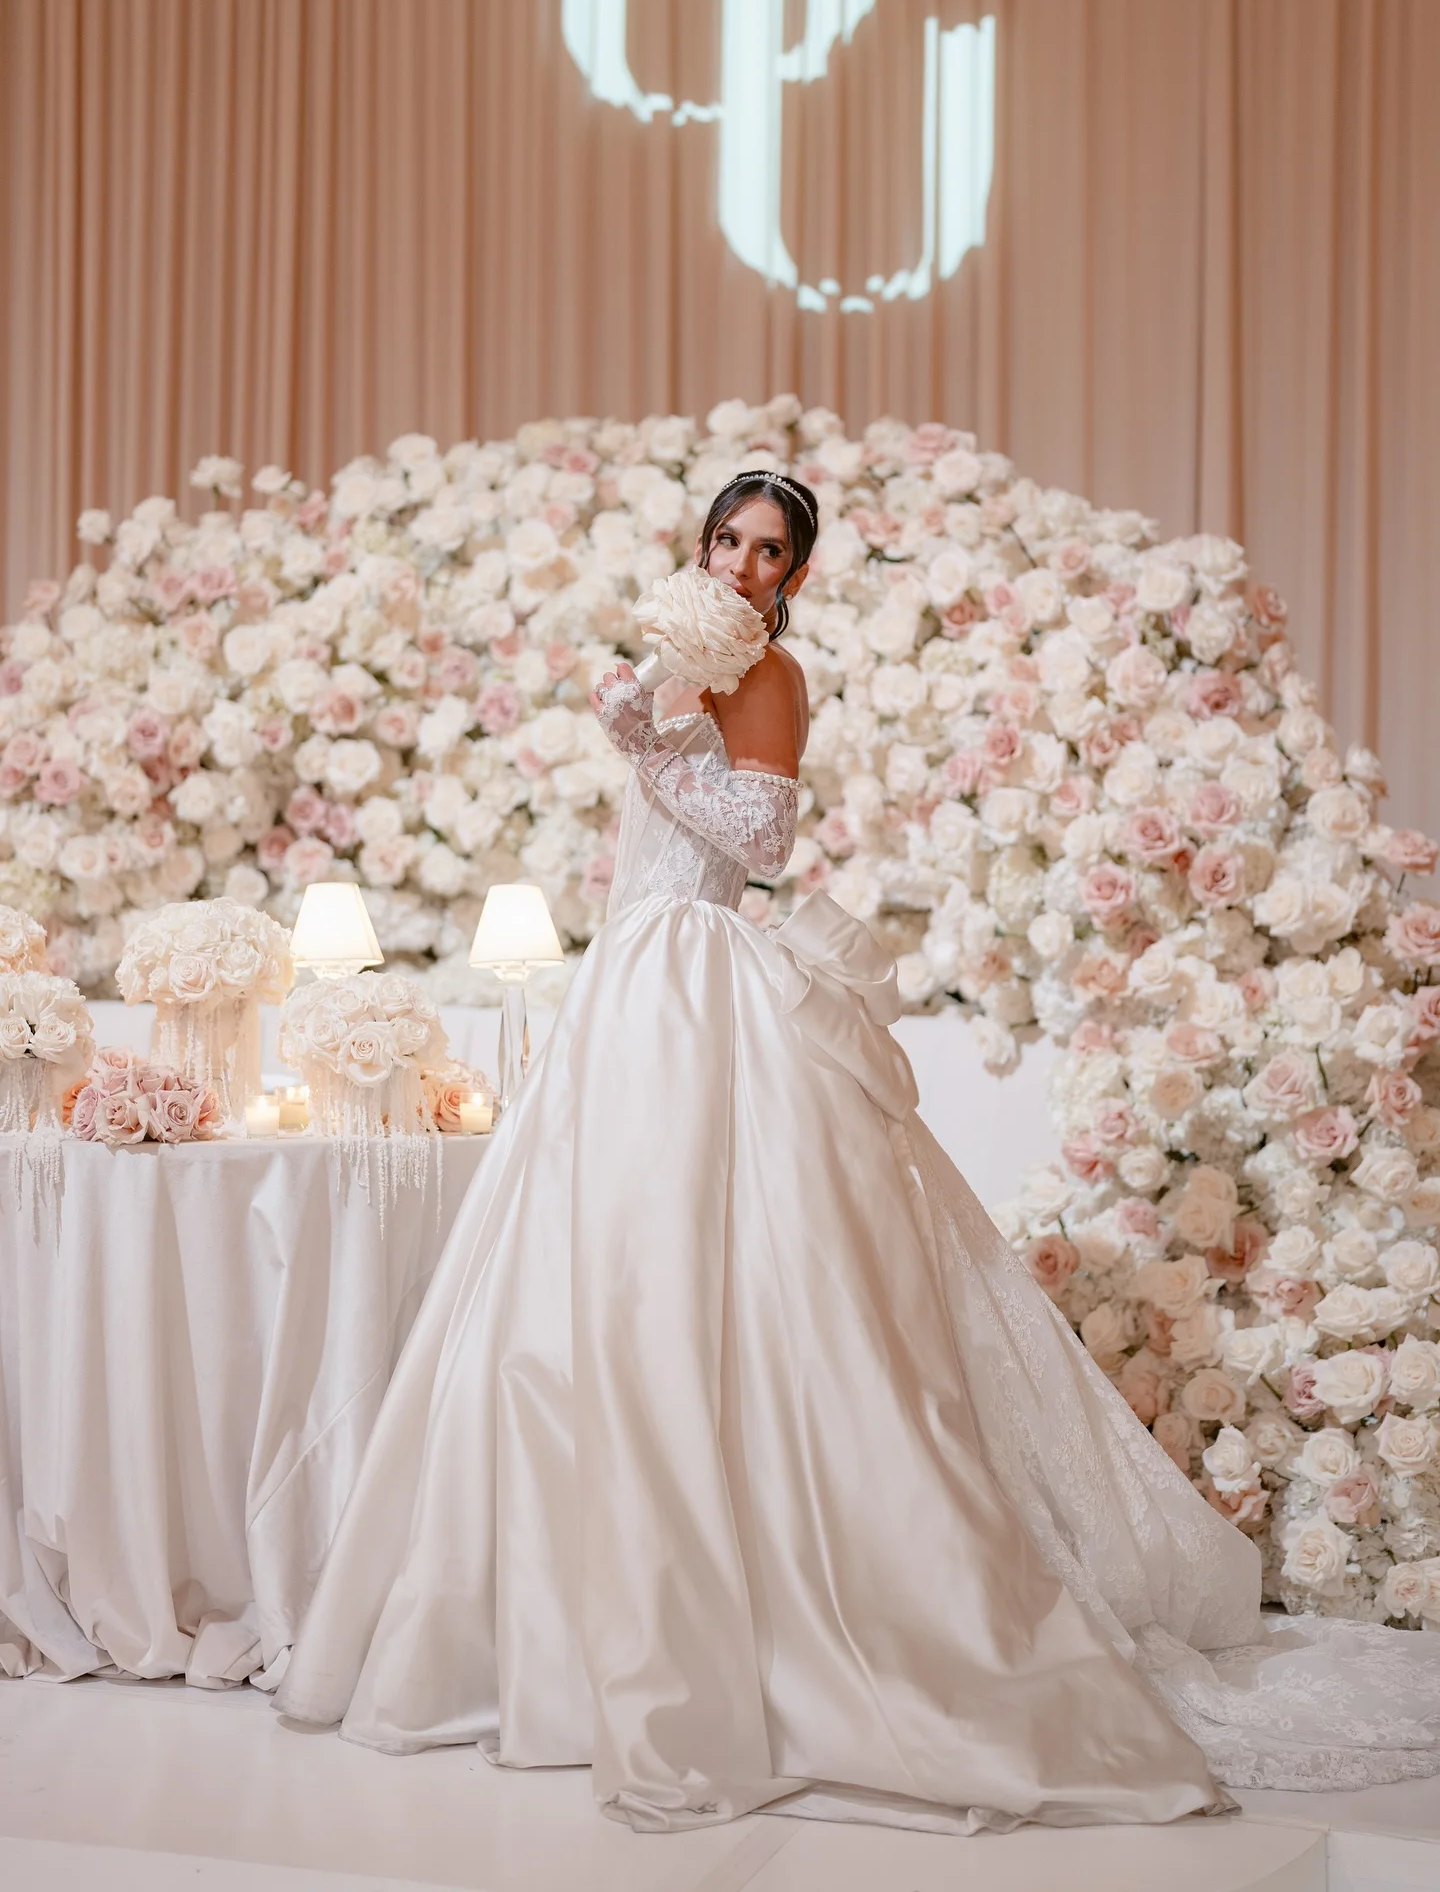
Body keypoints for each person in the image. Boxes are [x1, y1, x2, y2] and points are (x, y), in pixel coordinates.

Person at [277, 472, 1440, 1832]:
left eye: (770, 550)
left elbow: (764, 841)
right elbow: (646, 851)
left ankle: (792, 1617)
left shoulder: (771, 675)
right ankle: (546, 1632)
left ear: (796, 574)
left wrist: (649, 748)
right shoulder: (674, 664)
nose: (743, 564)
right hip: (629, 977)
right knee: (583, 1279)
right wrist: (648, 728)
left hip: (699, 983)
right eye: (728, 539)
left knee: (734, 1275)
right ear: (699, 545)